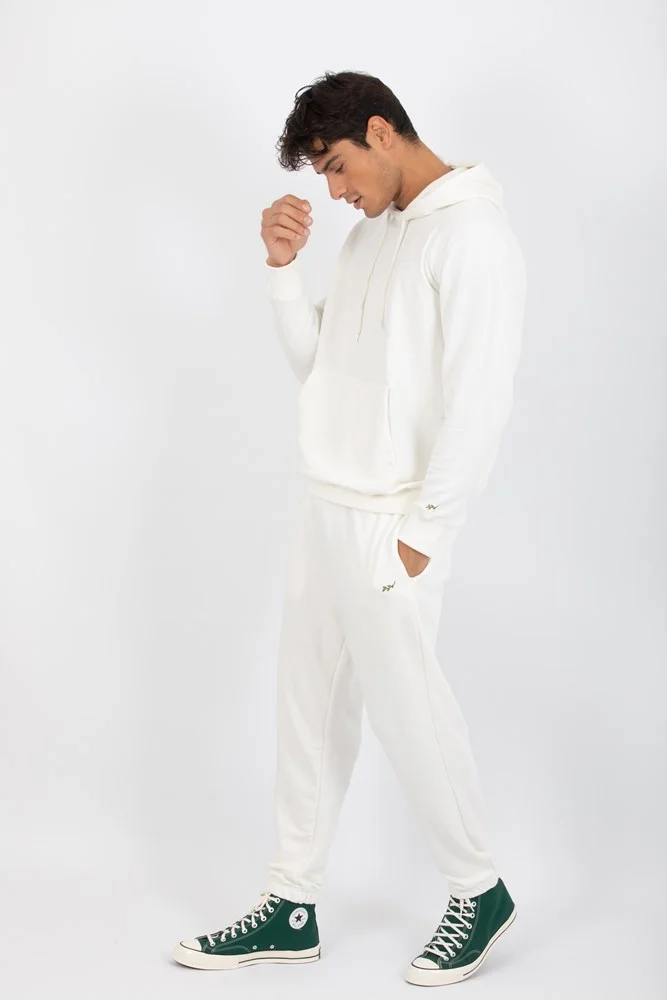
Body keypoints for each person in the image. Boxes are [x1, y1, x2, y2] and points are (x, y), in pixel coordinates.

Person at [173, 69, 526, 988]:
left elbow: (480, 401)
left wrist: (423, 534)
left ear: (379, 130)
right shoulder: (372, 236)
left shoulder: (472, 237)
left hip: (391, 523)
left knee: (411, 717)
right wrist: (282, 271)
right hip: (323, 503)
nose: (333, 193)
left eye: (335, 166)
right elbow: (320, 367)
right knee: (306, 713)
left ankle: (478, 888)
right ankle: (290, 902)